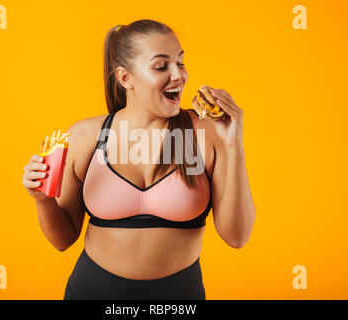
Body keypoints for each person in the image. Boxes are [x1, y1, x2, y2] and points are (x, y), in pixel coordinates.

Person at [22, 19, 255, 300]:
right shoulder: (84, 137)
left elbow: (237, 237)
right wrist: (42, 199)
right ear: (125, 78)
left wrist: (234, 145)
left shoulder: (208, 134)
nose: (179, 75)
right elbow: (62, 240)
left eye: (180, 63)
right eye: (161, 66)